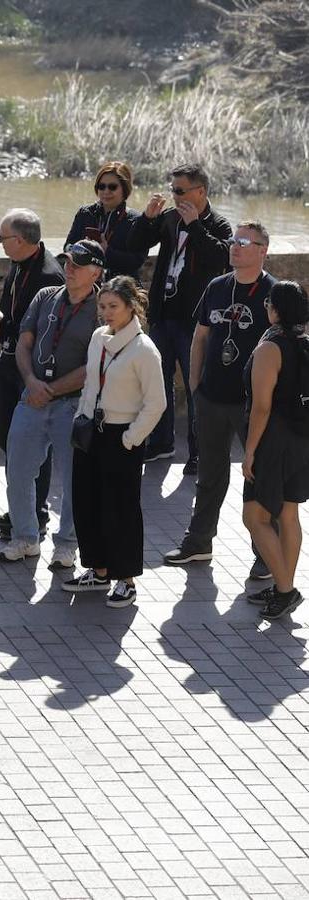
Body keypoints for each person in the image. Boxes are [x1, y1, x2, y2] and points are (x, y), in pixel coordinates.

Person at [164, 222, 276, 574]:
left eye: (244, 242)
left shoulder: (274, 293)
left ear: (263, 250)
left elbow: (287, 350)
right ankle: (198, 542)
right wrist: (195, 384)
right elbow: (200, 337)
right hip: (211, 398)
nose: (235, 246)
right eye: (233, 240)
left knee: (258, 474)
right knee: (209, 474)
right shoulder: (217, 286)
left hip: (252, 404)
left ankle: (265, 554)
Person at [0, 239, 107, 567]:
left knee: (74, 479)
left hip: (72, 405)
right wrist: (32, 383)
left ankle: (67, 544)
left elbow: (97, 364)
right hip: (32, 399)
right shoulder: (46, 296)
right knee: (18, 471)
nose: (69, 269)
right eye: (67, 262)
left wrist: (52, 389)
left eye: (78, 264)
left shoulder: (104, 307)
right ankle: (25, 537)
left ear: (96, 271)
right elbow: (24, 343)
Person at [65, 276, 165, 608]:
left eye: (113, 307)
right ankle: (99, 569)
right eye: (102, 306)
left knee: (120, 508)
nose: (106, 313)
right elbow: (90, 384)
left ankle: (126, 579)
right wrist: (81, 416)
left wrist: (130, 439)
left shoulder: (143, 349)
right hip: (92, 432)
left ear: (130, 307)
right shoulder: (97, 338)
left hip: (121, 437)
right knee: (87, 501)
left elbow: (156, 403)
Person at [127, 162, 234, 467]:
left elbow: (221, 257)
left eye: (180, 190)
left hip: (194, 321)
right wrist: (147, 219)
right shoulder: (170, 219)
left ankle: (199, 452)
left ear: (200, 191)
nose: (175, 196)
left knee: (195, 385)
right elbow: (136, 244)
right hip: (164, 316)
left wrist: (196, 227)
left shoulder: (218, 224)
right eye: (173, 189)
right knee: (156, 383)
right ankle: (161, 443)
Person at [0, 208, 65, 541]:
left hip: (31, 371)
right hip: (9, 360)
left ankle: (35, 514)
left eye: (3, 237)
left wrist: (2, 323)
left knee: (33, 443)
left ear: (22, 239)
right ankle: (21, 507)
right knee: (9, 440)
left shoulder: (48, 276)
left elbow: (42, 332)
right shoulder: (18, 264)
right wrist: (2, 318)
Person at [242, 281, 309, 621]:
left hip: (273, 442)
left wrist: (250, 451)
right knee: (288, 514)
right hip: (301, 440)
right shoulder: (304, 341)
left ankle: (286, 590)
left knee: (254, 517)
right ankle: (284, 583)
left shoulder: (271, 346)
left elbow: (262, 407)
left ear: (274, 308)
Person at [64, 162, 145, 279]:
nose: (106, 191)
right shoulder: (85, 213)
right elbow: (68, 245)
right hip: (86, 282)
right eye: (101, 186)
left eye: (112, 187)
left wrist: (106, 252)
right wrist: (81, 249)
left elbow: (136, 261)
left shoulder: (136, 220)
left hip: (119, 287)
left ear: (125, 188)